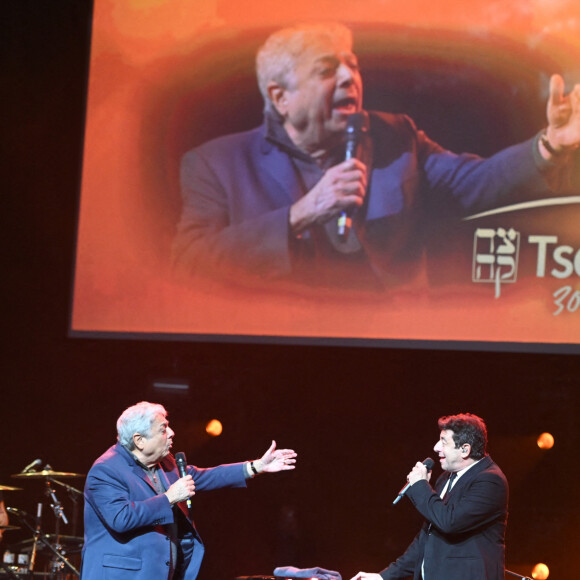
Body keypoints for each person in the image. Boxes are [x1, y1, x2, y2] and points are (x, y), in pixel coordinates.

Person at [172, 22, 580, 291]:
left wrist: (551, 144)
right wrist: (300, 214)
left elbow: (476, 182)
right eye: (327, 70)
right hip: (278, 353)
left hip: (396, 345)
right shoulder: (217, 163)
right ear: (281, 97)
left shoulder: (393, 135)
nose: (350, 78)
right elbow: (188, 263)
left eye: (353, 66)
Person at [81, 401, 297, 580]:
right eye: (163, 429)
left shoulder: (165, 462)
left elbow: (203, 476)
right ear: (139, 440)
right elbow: (121, 518)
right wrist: (170, 498)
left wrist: (256, 466)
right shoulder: (106, 470)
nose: (172, 433)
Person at [351, 413, 508, 580]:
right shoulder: (446, 477)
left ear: (465, 449)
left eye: (443, 441)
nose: (436, 447)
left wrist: (421, 486)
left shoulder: (490, 480)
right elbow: (427, 537)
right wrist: (384, 577)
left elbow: (450, 522)